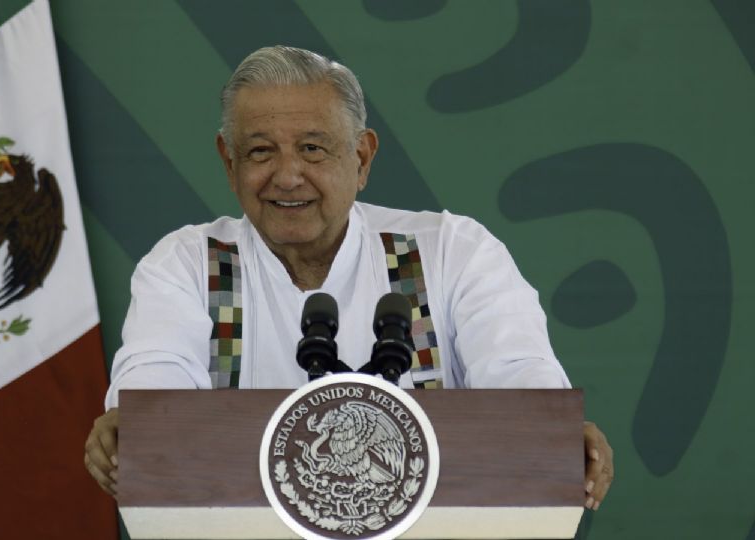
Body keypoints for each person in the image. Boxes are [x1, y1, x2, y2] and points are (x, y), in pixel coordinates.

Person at [84, 45, 613, 511]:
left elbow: (522, 385)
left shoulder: (452, 251)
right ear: (229, 161)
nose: (287, 176)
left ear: (361, 157)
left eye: (313, 148)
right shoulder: (185, 264)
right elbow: (153, 395)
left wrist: (556, 434)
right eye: (261, 151)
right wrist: (132, 425)